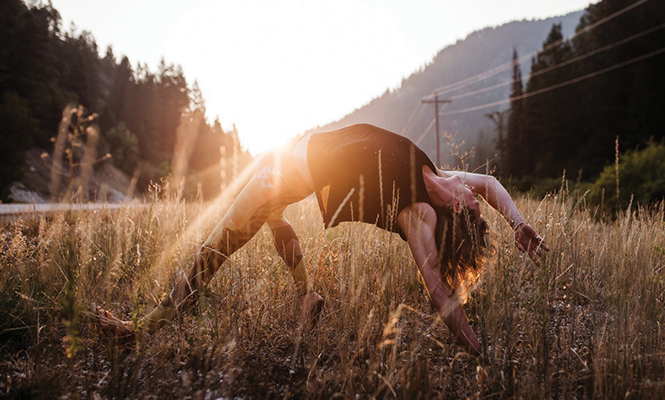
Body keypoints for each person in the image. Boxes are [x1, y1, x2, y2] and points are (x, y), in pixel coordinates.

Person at [95, 123, 548, 355]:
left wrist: (475, 347)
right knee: (274, 222)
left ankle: (142, 329)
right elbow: (491, 184)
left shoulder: (420, 214)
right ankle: (306, 296)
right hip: (290, 158)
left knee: (216, 245)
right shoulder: (442, 176)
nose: (476, 197)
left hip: (281, 174)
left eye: (475, 209)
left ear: (456, 212)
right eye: (477, 202)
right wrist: (516, 222)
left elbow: (437, 289)